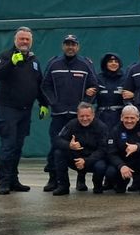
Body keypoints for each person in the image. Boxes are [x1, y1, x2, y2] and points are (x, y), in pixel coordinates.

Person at [0, 26, 50, 195]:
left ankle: (13, 180)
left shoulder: (34, 60)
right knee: (8, 146)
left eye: (27, 39)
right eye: (21, 39)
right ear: (15, 40)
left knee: (18, 147)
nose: (24, 42)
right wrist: (11, 63)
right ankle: (3, 183)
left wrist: (43, 103)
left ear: (31, 42)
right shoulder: (5, 56)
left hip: (25, 110)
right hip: (8, 109)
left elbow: (38, 84)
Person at [40, 34, 99, 192]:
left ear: (78, 47)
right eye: (67, 44)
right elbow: (45, 86)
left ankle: (81, 179)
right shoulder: (54, 63)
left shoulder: (85, 64)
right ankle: (54, 179)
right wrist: (53, 102)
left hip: (78, 117)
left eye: (73, 44)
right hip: (59, 116)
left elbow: (94, 87)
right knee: (56, 146)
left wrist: (84, 104)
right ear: (63, 46)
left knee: (81, 147)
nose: (70, 47)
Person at [51, 103, 109, 195]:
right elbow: (57, 140)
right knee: (59, 153)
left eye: (87, 116)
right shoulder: (71, 124)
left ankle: (98, 186)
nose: (85, 119)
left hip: (93, 159)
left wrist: (86, 161)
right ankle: (63, 186)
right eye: (81, 116)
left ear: (93, 115)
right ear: (77, 115)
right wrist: (69, 145)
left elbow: (103, 150)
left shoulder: (102, 127)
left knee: (101, 166)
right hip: (76, 158)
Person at [104, 105, 140, 195]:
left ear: (138, 118)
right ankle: (120, 183)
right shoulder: (115, 130)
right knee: (111, 173)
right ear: (121, 118)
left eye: (132, 118)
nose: (129, 121)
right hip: (124, 162)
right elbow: (111, 152)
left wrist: (138, 146)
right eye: (126, 118)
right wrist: (121, 166)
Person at [96, 52, 125, 129]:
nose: (113, 63)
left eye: (116, 61)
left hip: (120, 117)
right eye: (110, 61)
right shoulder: (98, 78)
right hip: (101, 117)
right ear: (105, 64)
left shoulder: (125, 78)